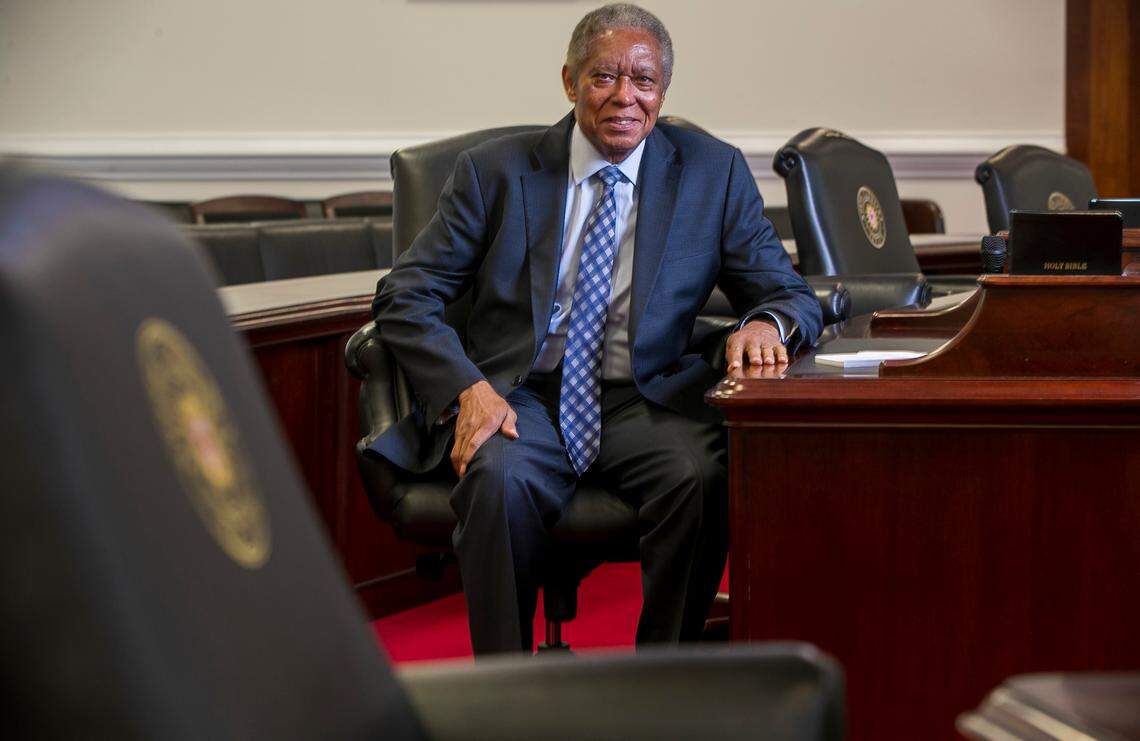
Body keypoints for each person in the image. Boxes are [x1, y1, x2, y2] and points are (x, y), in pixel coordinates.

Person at [370, 3, 822, 654]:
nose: (624, 96)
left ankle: (661, 679)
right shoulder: (493, 171)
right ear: (569, 81)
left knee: (701, 476)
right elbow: (406, 293)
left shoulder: (711, 173)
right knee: (498, 480)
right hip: (520, 395)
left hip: (645, 395)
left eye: (644, 80)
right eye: (604, 75)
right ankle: (502, 684)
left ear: (663, 91)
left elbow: (788, 292)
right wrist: (467, 389)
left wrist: (767, 324)